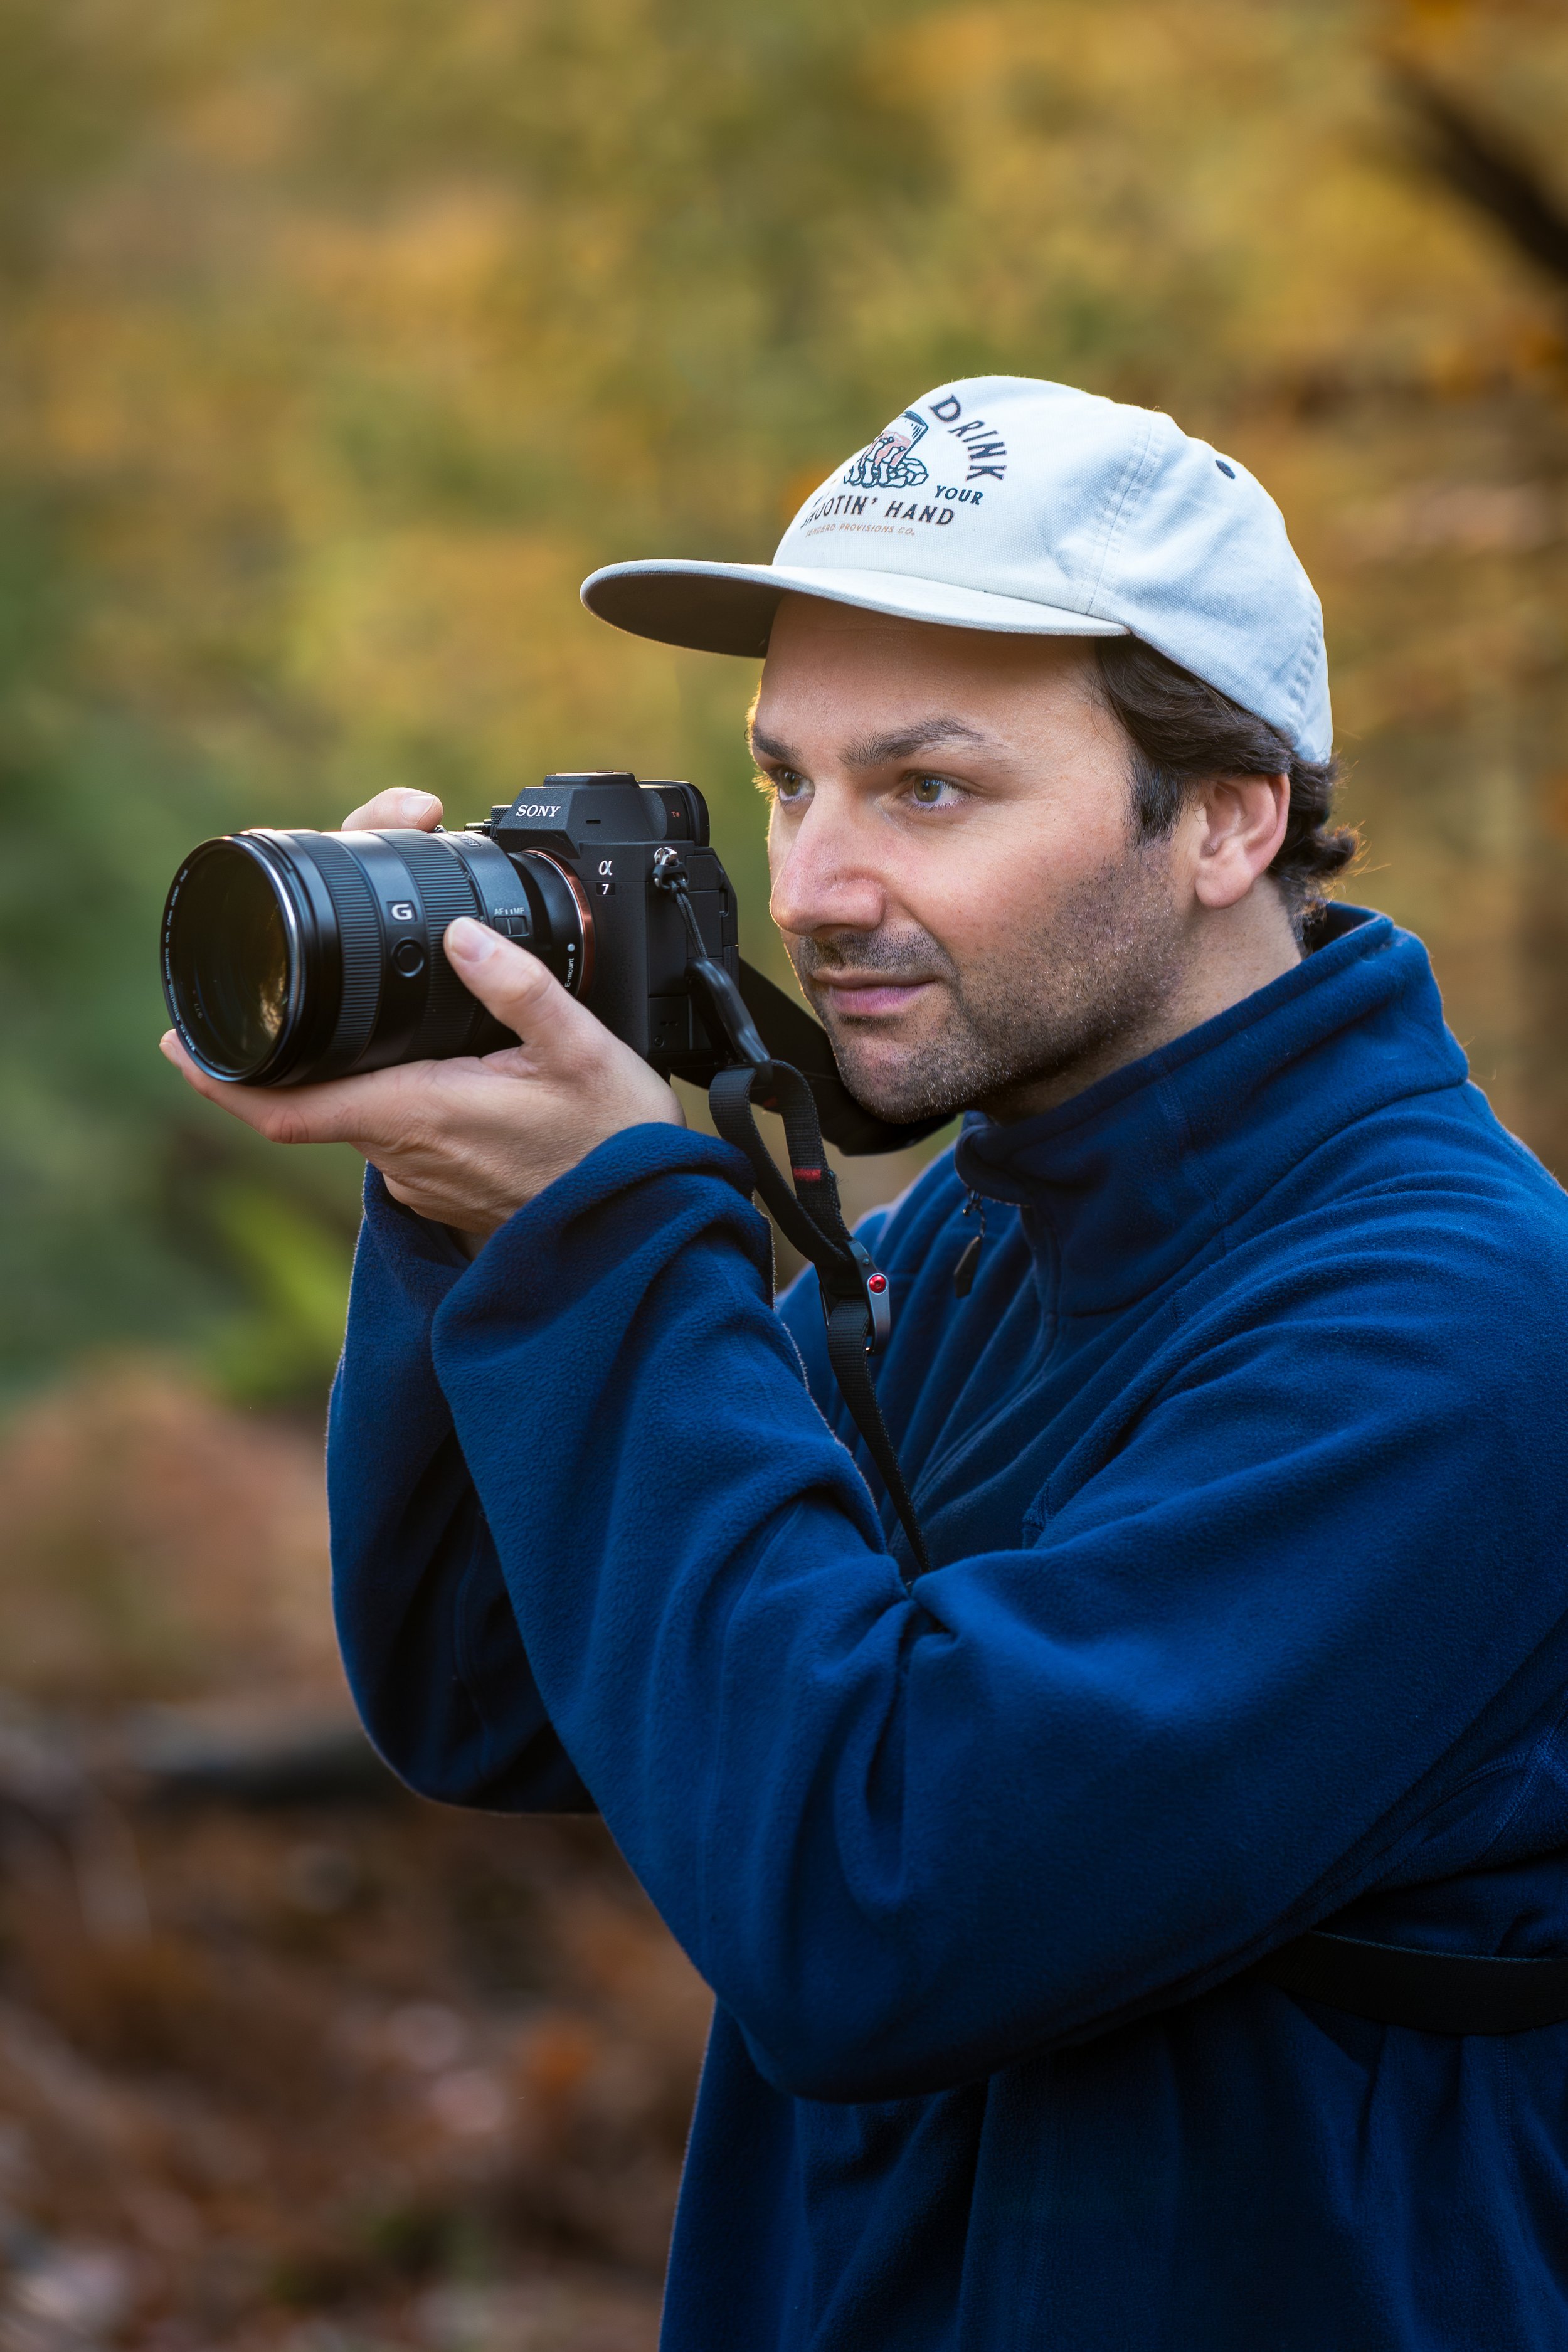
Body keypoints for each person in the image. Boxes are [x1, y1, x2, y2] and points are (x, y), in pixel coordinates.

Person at [163, 377, 1568, 2350]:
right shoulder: (970, 1237)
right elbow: (496, 1696)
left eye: (927, 789)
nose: (814, 888)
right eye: (786, 782)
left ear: (1228, 818)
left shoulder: (1457, 1325)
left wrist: (611, 1236)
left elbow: (874, 1907)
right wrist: (474, 1211)